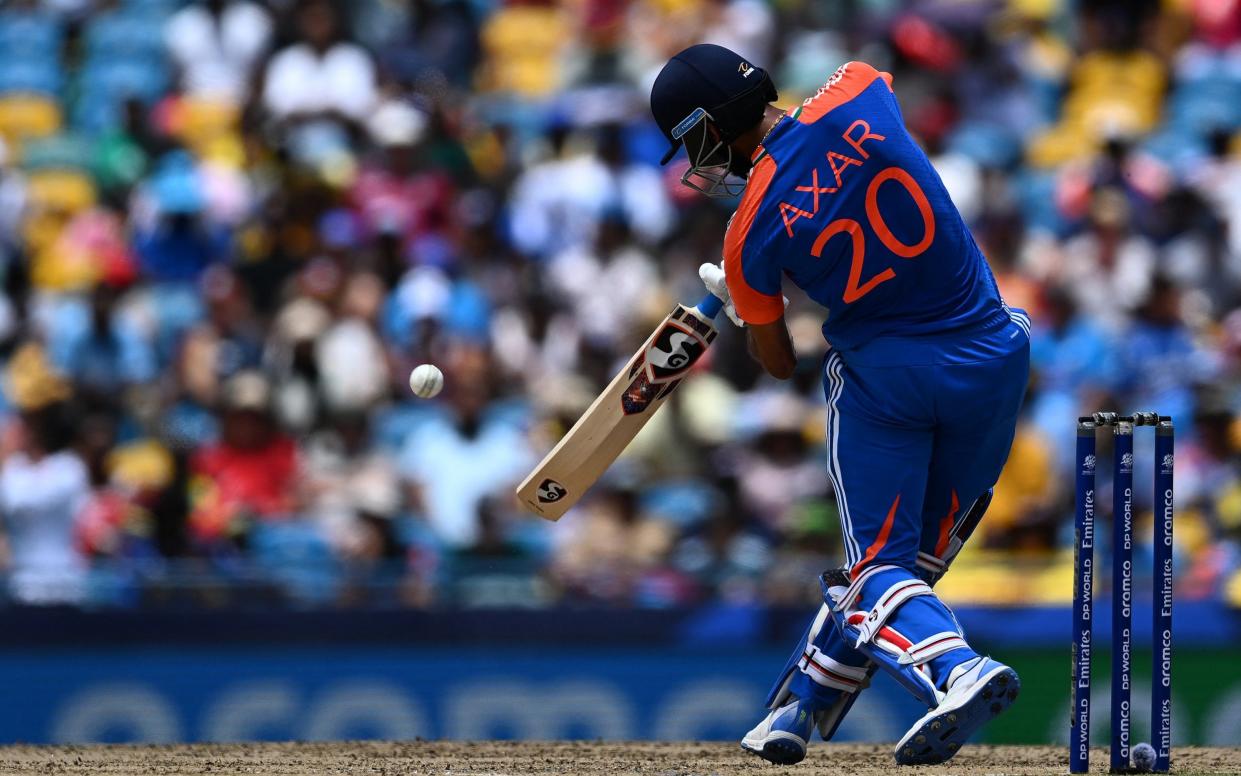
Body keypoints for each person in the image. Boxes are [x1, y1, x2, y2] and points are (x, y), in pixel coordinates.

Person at [650, 44, 1031, 766]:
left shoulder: (746, 232)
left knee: (876, 573)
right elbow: (847, 120)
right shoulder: (857, 90)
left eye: (691, 141)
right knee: (903, 573)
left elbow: (775, 361)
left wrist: (744, 300)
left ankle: (958, 672)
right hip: (990, 359)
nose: (693, 161)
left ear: (710, 123)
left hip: (888, 381)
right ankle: (799, 709)